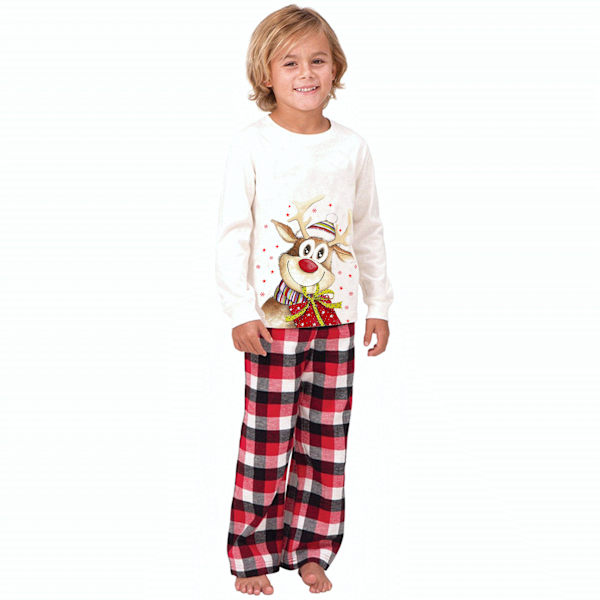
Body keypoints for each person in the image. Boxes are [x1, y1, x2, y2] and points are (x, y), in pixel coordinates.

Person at [215, 4, 393, 595]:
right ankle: (252, 551)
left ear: (335, 67)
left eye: (317, 60)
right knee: (267, 442)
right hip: (272, 323)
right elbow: (233, 234)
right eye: (289, 62)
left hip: (337, 321)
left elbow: (368, 230)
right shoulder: (252, 144)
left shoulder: (352, 147)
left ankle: (312, 547)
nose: (306, 73)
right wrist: (240, 311)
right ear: (266, 73)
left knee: (324, 440)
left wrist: (379, 304)